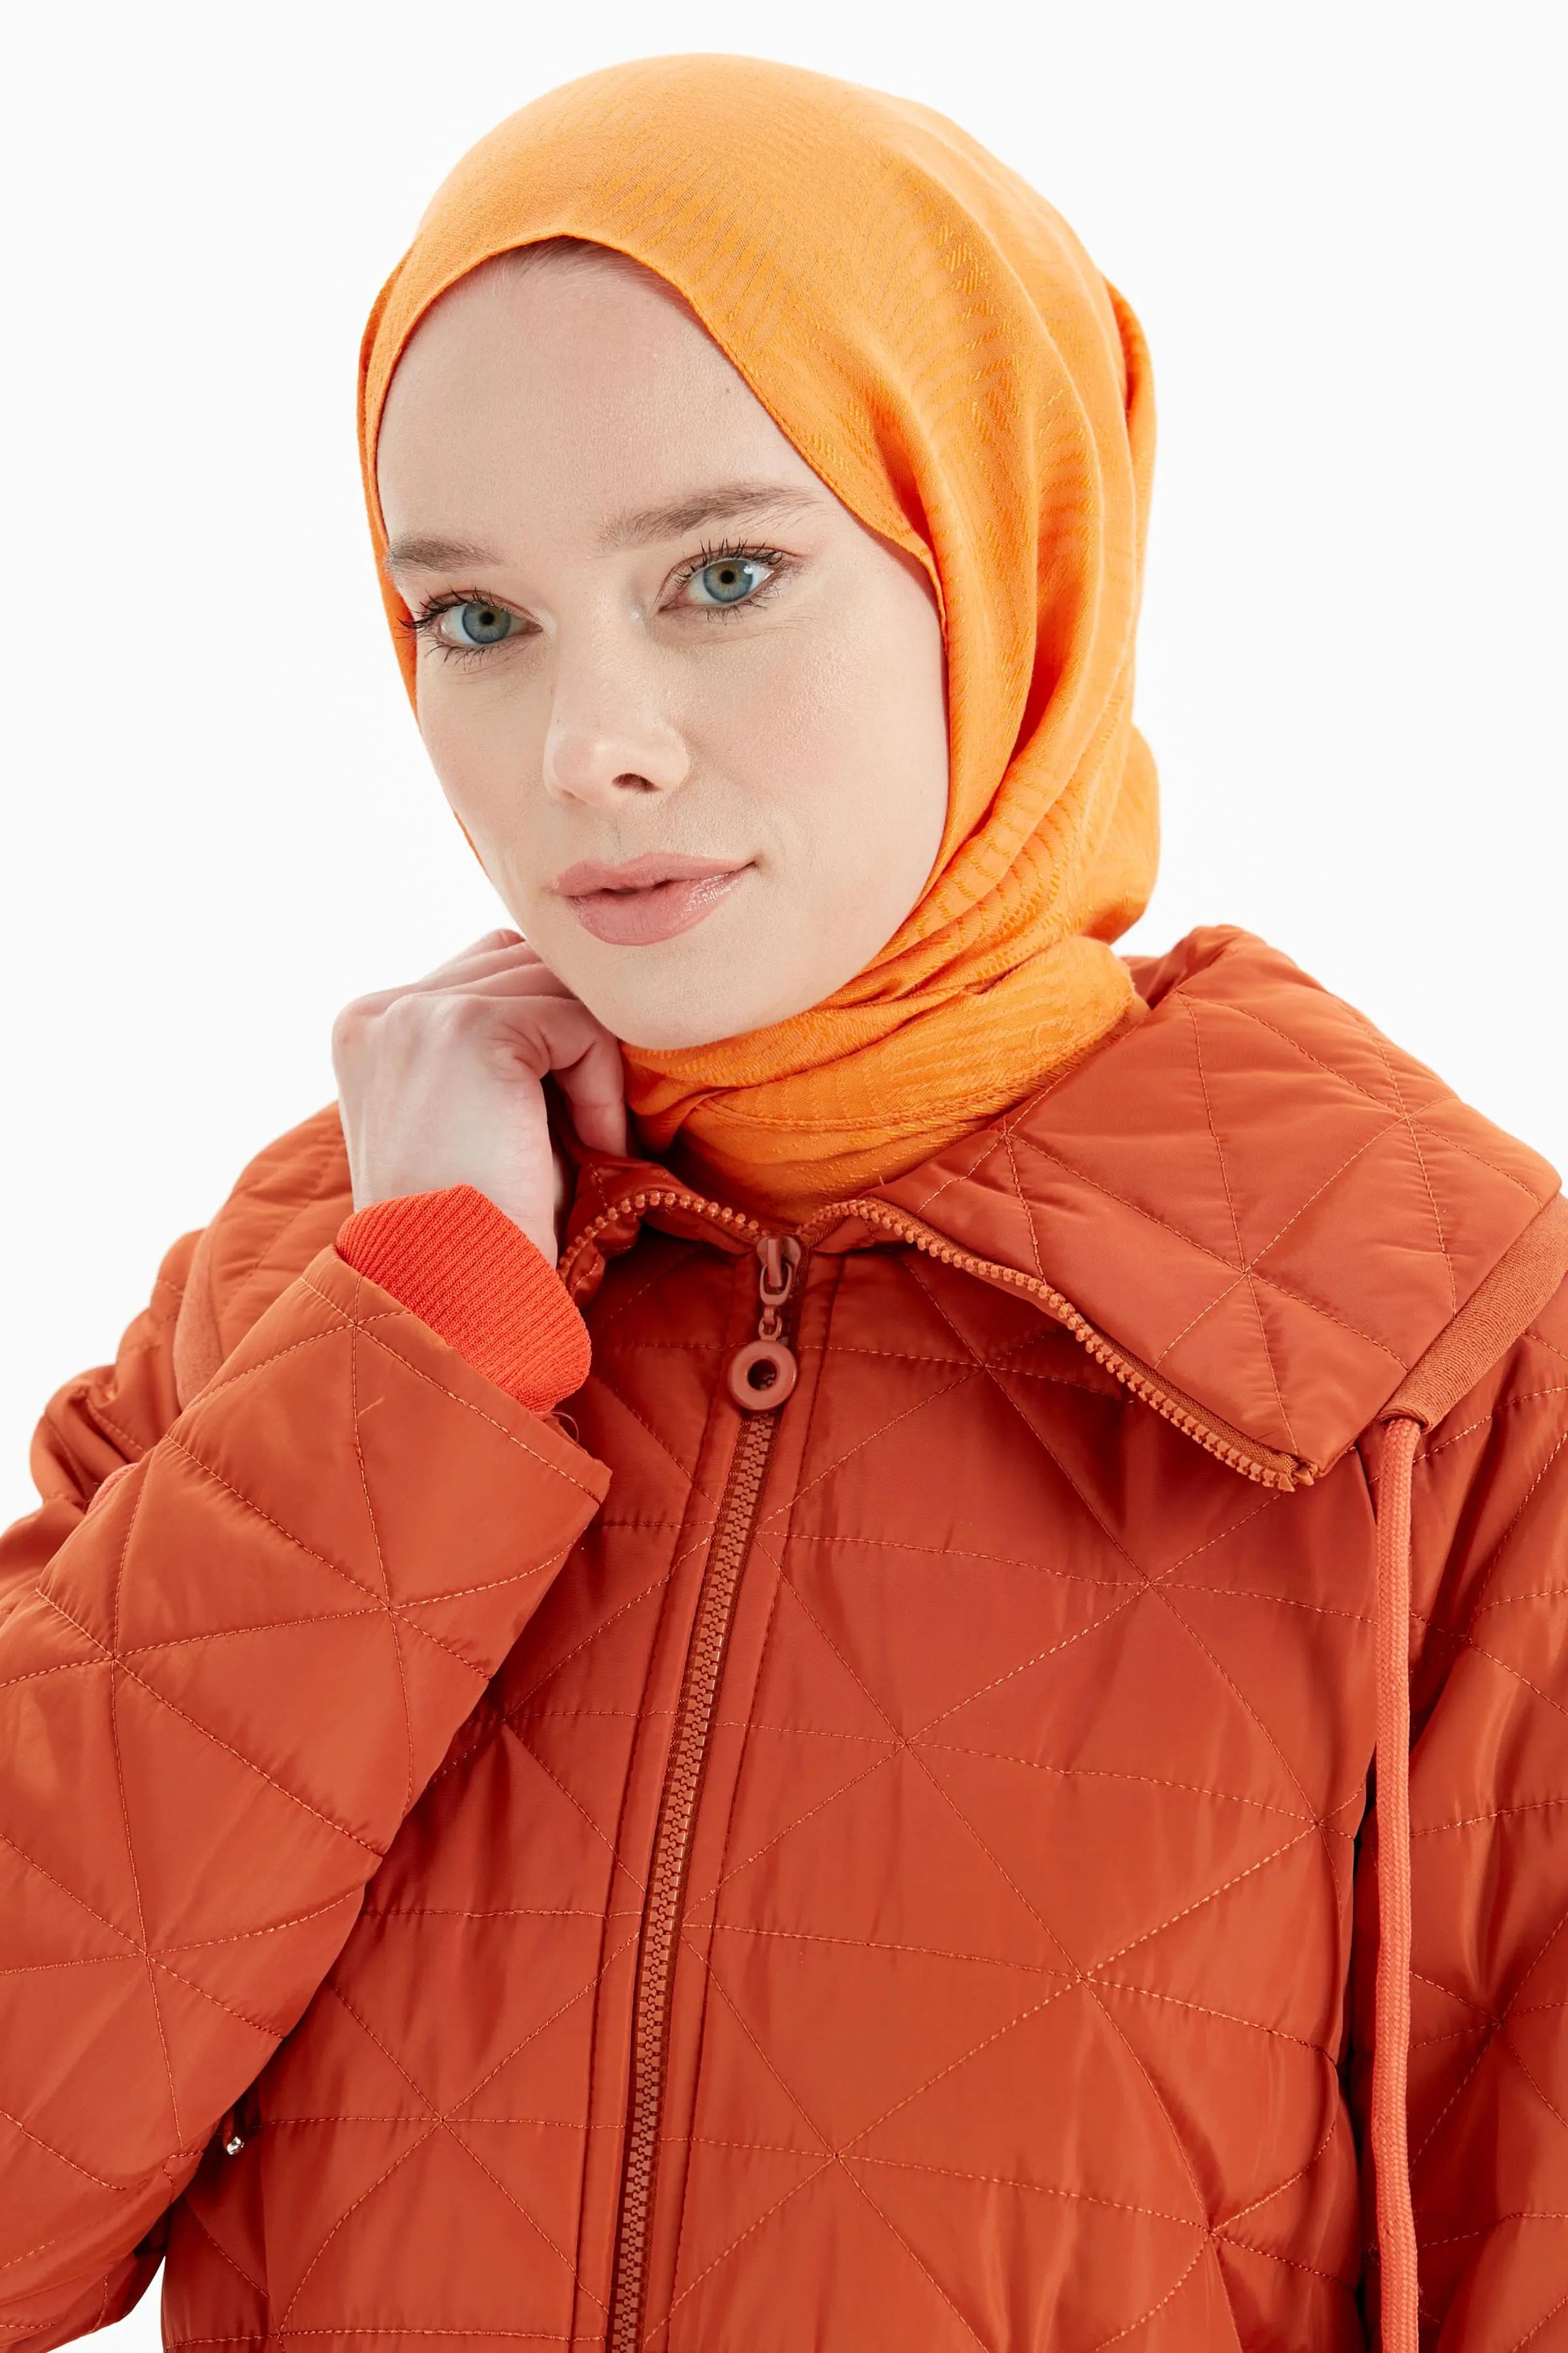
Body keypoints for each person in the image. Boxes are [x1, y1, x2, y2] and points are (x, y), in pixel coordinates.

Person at [1, 53, 1563, 2353]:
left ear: (1004, 554)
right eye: (477, 618)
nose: (589, 751)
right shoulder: (333, 1270)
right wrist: (419, 1350)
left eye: (724, 575)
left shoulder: (1436, 1346)